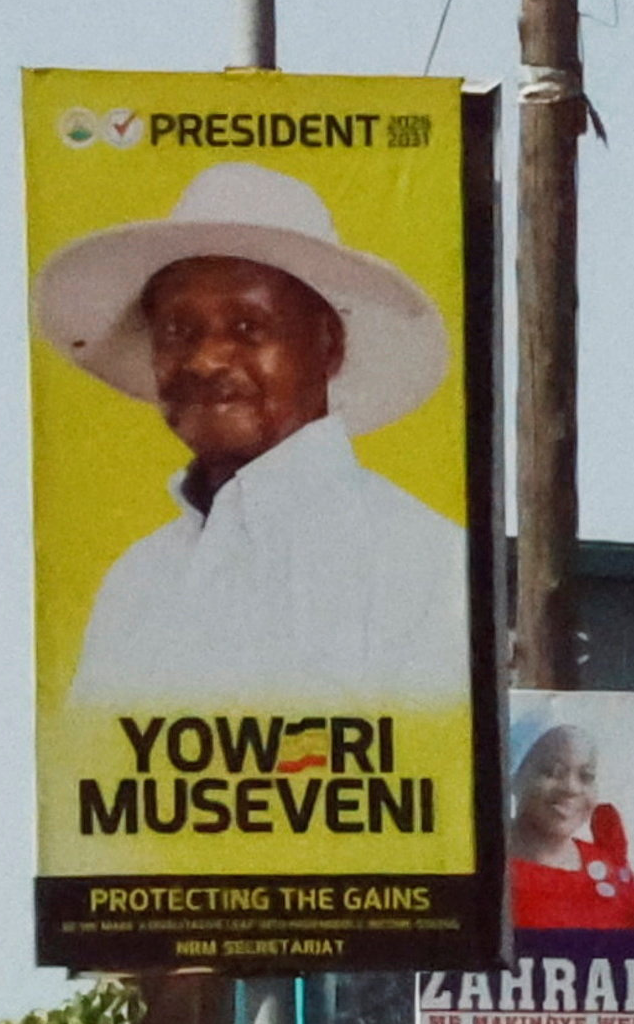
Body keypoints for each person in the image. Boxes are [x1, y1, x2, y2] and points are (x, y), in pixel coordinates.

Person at [40, 163, 470, 707]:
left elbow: (438, 780)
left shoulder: (426, 566)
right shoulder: (138, 583)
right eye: (177, 331)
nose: (206, 359)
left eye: (248, 327)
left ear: (327, 347)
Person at [503, 713, 634, 935]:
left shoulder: (610, 869)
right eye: (553, 772)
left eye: (586, 776)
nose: (571, 788)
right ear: (512, 778)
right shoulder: (480, 869)